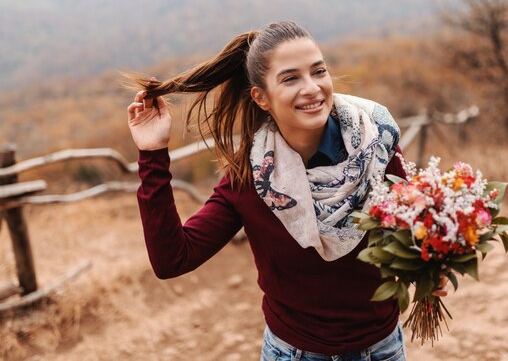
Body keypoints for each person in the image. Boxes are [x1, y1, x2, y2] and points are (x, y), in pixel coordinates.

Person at [126, 21, 448, 361]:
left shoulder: (376, 148)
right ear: (261, 98)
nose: (312, 88)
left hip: (381, 349)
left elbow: (411, 229)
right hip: (292, 354)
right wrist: (152, 153)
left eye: (318, 71)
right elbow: (172, 259)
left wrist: (431, 267)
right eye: (291, 78)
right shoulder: (251, 180)